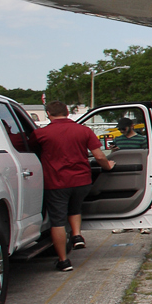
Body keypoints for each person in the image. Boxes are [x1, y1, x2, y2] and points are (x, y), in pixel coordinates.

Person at [35, 101, 113, 272]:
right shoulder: (84, 130)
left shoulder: (41, 134)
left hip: (56, 182)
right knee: (75, 208)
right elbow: (99, 155)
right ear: (67, 112)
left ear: (48, 113)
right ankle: (77, 235)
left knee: (57, 221)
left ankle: (63, 261)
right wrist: (108, 166)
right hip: (82, 181)